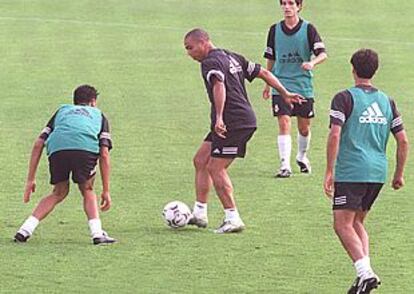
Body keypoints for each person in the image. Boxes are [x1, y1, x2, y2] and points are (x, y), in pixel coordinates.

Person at [184, 28, 304, 233]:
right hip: (237, 119)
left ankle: (233, 218)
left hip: (233, 121)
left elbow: (219, 85)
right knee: (200, 160)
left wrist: (220, 117)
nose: (189, 53)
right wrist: (284, 93)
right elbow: (263, 73)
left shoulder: (210, 62)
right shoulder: (231, 56)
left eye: (190, 47)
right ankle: (200, 213)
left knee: (215, 168)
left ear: (204, 42)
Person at [324, 49, 408, 293]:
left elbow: (335, 134)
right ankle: (364, 277)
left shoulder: (343, 98)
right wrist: (398, 174)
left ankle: (365, 272)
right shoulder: (387, 101)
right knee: (358, 221)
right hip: (377, 172)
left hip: (352, 170)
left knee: (342, 224)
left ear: (352, 69)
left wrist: (329, 170)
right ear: (375, 70)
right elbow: (403, 141)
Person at [14, 85, 117, 245]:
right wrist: (106, 191)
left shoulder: (62, 111)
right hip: (84, 148)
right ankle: (97, 234)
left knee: (58, 192)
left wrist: (30, 179)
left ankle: (25, 229)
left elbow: (38, 143)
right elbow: (104, 153)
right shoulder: (99, 115)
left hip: (57, 148)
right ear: (93, 102)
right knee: (88, 189)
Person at [263, 0, 327, 178]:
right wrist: (268, 83)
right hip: (280, 84)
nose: (287, 7)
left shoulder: (308, 29)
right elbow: (271, 58)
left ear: (299, 6)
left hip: (303, 85)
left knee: (304, 127)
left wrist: (312, 63)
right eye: (284, 3)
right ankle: (285, 165)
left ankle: (302, 156)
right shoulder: (274, 30)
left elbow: (323, 53)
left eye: (291, 3)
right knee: (284, 123)